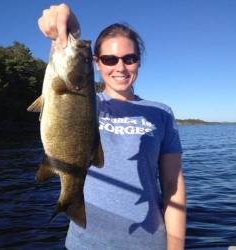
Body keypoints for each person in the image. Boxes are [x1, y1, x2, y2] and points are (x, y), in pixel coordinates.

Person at [38, 4, 186, 250]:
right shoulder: (86, 100)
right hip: (84, 243)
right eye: (109, 59)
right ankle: (70, 201)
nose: (120, 67)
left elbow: (173, 186)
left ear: (138, 62)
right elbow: (61, 65)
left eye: (129, 58)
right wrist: (64, 27)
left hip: (149, 243)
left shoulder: (162, 113)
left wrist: (176, 247)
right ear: (96, 63)